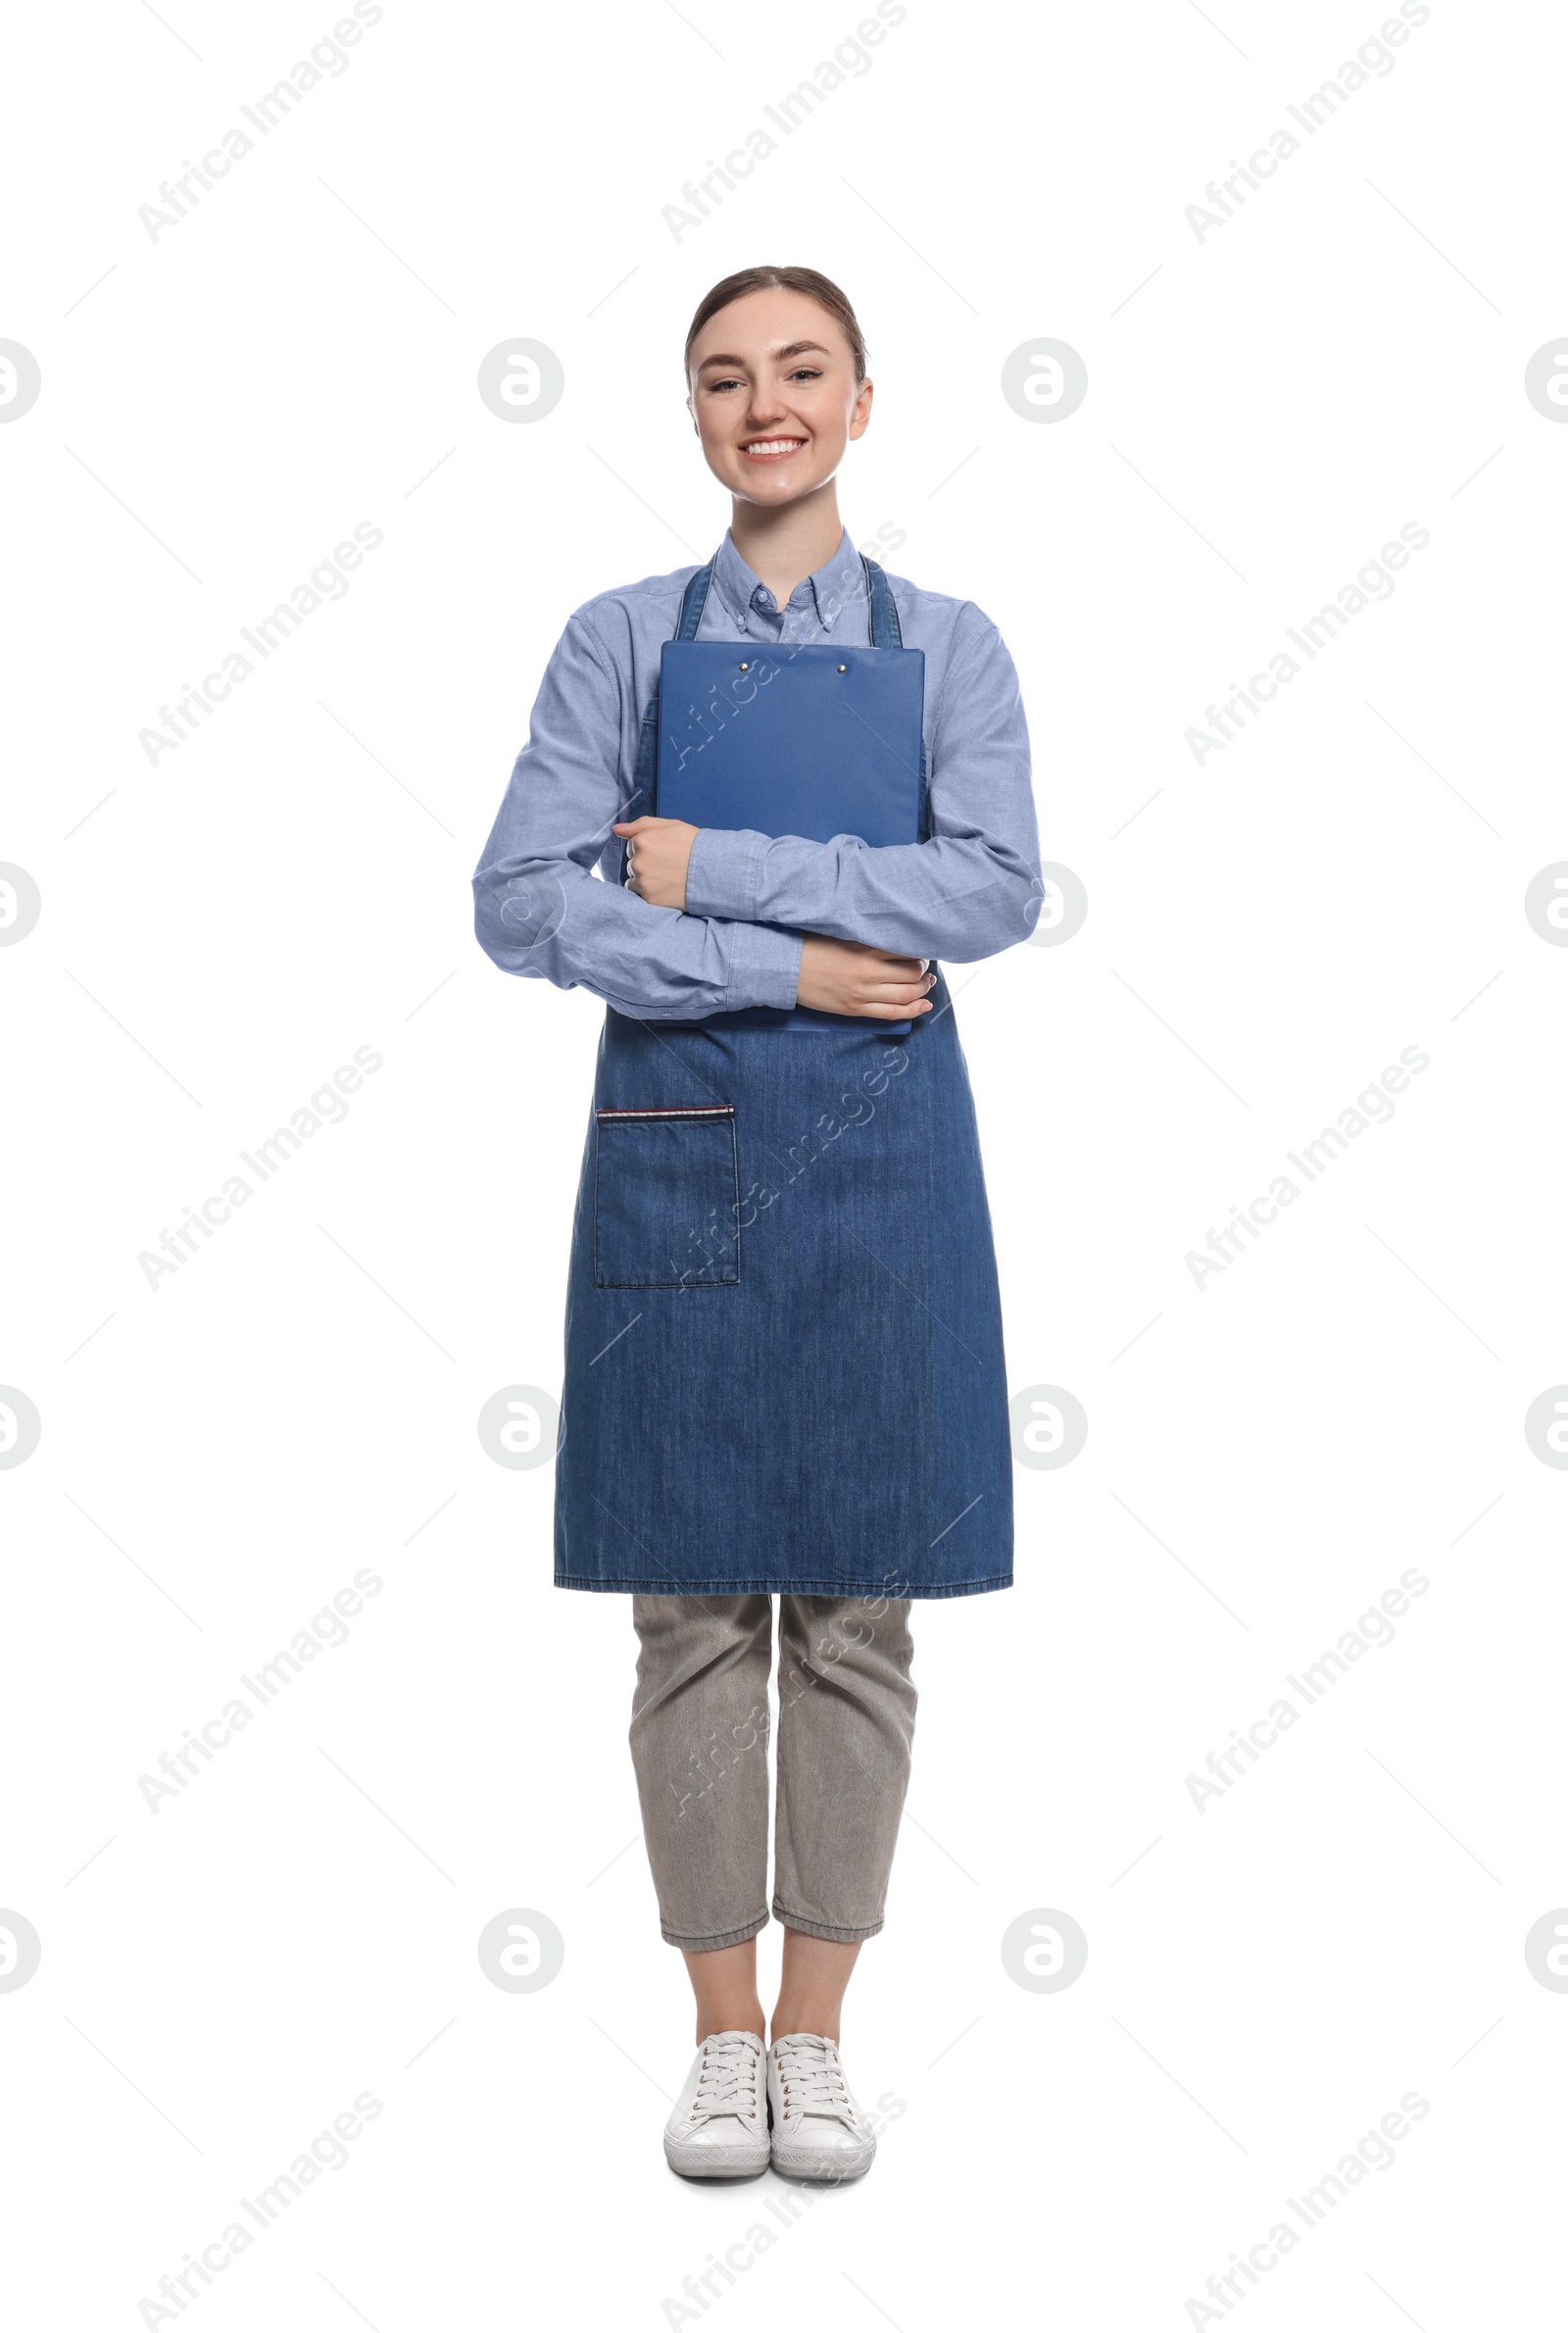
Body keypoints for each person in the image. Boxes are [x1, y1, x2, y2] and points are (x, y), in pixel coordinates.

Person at [472, 264, 1041, 2180]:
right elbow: (524, 901)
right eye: (722, 378)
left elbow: (982, 892)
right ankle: (720, 2039)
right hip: (682, 1143)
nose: (760, 404)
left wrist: (716, 870)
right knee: (696, 1604)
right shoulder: (618, 643)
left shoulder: (949, 647)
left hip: (886, 1161)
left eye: (798, 371)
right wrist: (801, 966)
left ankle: (820, 2033)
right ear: (692, 413)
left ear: (861, 402)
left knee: (861, 1607)